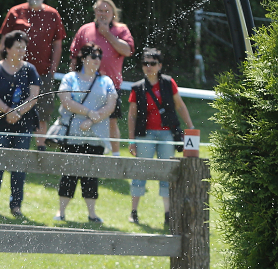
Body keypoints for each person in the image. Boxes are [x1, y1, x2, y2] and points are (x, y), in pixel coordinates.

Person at [127, 48, 194, 227]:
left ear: (160, 65)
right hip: (145, 134)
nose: (148, 67)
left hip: (166, 134)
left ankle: (167, 214)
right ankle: (134, 212)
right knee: (141, 171)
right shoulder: (137, 87)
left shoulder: (168, 83)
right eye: (145, 63)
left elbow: (180, 106)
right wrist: (132, 140)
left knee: (167, 173)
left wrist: (190, 127)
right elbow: (131, 116)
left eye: (152, 63)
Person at [54, 43, 117, 223]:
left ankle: (92, 214)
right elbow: (65, 100)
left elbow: (111, 105)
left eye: (99, 57)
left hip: (96, 137)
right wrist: (89, 112)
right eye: (93, 56)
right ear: (83, 58)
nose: (97, 60)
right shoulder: (70, 78)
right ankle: (61, 212)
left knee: (91, 176)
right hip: (71, 135)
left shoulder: (106, 81)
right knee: (69, 174)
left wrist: (91, 120)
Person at [0, 0, 66, 151]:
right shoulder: (15, 11)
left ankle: (40, 147)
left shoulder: (53, 14)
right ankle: (10, 145)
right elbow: (4, 42)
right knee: (13, 106)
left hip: (43, 73)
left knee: (43, 111)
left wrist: (52, 70)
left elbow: (57, 44)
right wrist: (5, 68)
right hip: (15, 73)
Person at [0, 30, 39, 218]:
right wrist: (8, 111)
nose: (21, 51)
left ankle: (16, 205)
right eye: (18, 47)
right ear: (7, 49)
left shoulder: (30, 69)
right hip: (0, 122)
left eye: (24, 47)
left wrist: (18, 112)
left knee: (19, 165)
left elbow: (34, 96)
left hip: (23, 124)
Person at [69, 0, 133, 155]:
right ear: (94, 12)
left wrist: (107, 34)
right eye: (99, 11)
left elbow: (128, 50)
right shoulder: (85, 29)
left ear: (113, 13)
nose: (103, 14)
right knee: (83, 118)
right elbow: (74, 55)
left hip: (110, 85)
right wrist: (72, 79)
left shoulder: (121, 29)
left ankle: (116, 156)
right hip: (85, 84)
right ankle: (81, 151)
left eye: (106, 11)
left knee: (111, 121)